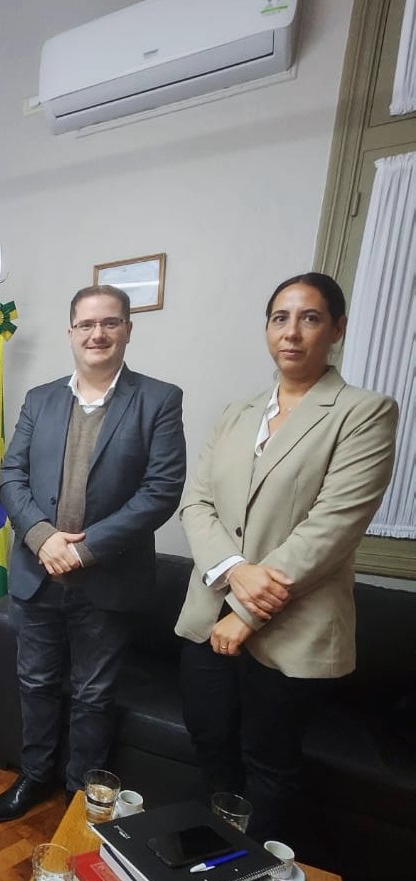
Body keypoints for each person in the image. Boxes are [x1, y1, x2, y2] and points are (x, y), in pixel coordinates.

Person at [175, 272, 398, 845]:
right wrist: (234, 572)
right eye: (280, 319)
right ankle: (217, 857)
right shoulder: (236, 411)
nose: (292, 333)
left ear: (338, 330)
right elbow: (196, 503)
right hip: (207, 618)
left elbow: (332, 528)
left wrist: (248, 612)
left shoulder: (364, 413)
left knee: (268, 764)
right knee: (210, 747)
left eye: (310, 318)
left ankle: (256, 866)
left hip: (292, 628)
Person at [0, 284, 186, 822]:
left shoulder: (159, 400)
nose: (98, 333)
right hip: (37, 574)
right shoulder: (41, 399)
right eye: (86, 324)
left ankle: (79, 797)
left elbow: (161, 490)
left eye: (110, 322)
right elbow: (10, 476)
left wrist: (86, 550)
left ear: (127, 329)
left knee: (95, 696)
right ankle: (33, 778)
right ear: (71, 332)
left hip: (107, 581)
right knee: (35, 683)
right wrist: (42, 538)